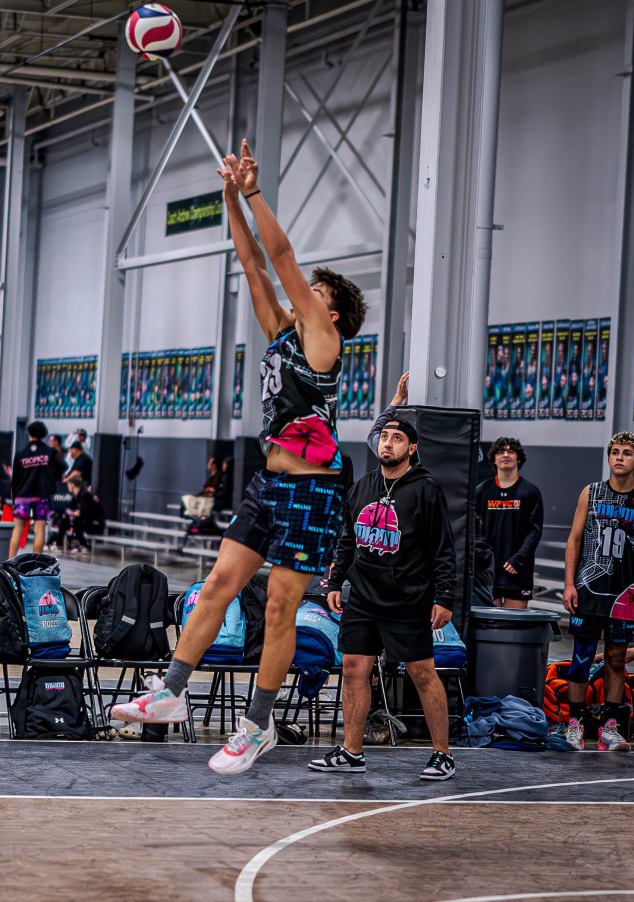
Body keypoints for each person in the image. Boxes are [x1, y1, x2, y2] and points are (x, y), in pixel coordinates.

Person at [111, 138, 366, 774]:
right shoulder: (283, 334)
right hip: (268, 483)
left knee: (279, 606)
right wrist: (229, 195)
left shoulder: (325, 339)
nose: (302, 292)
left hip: (313, 491)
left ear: (331, 311)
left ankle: (258, 724)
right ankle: (171, 692)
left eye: (314, 291)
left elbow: (280, 256)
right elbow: (254, 264)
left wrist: (254, 191)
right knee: (219, 584)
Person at [311, 417, 458, 780]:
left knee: (422, 673)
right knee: (353, 669)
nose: (388, 443)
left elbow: (443, 548)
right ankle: (352, 752)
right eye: (384, 437)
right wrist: (334, 582)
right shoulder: (363, 486)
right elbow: (348, 538)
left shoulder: (426, 489)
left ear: (412, 448)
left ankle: (442, 754)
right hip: (363, 597)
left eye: (397, 438)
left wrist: (444, 597)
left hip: (407, 599)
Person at [561, 432, 634, 752]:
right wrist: (569, 584)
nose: (619, 457)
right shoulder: (592, 492)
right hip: (589, 589)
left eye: (626, 453)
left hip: (625, 593)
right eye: (614, 452)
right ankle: (574, 723)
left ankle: (610, 726)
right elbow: (574, 540)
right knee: (581, 657)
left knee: (616, 658)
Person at [475, 437, 544, 608]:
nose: (505, 455)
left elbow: (534, 531)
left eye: (510, 451)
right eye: (500, 452)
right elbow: (473, 531)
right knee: (489, 621)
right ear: (494, 459)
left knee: (513, 621)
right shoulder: (481, 491)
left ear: (518, 458)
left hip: (518, 570)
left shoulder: (530, 492)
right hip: (487, 571)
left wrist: (518, 560)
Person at [9, 421, 64, 556]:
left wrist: (14, 498)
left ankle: (9, 561)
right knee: (39, 530)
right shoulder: (50, 452)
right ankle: (36, 562)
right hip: (42, 496)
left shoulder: (21, 453)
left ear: (29, 434)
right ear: (44, 434)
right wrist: (52, 476)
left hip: (22, 496)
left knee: (17, 529)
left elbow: (15, 479)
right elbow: (62, 467)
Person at [49, 472, 106, 552]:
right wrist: (69, 514)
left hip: (94, 524)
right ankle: (59, 544)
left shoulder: (85, 495)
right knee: (64, 520)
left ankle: (84, 545)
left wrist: (73, 513)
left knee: (76, 522)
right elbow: (73, 511)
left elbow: (84, 512)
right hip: (84, 521)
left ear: (72, 485)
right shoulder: (75, 496)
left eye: (68, 484)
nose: (67, 486)